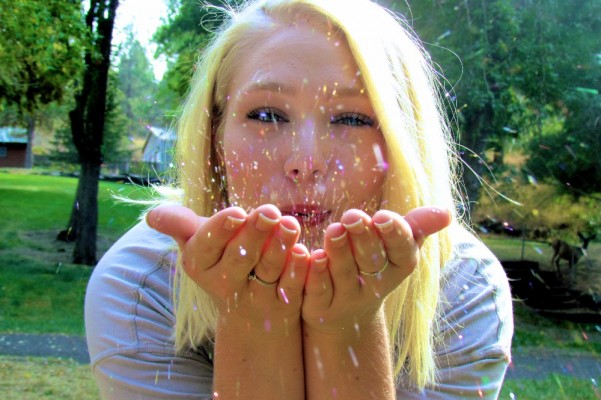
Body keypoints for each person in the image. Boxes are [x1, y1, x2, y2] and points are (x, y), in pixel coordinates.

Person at [85, 0, 513, 398]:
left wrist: (349, 326)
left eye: (352, 119)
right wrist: (253, 323)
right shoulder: (142, 289)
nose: (306, 163)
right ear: (215, 139)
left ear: (404, 144)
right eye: (266, 115)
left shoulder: (463, 290)